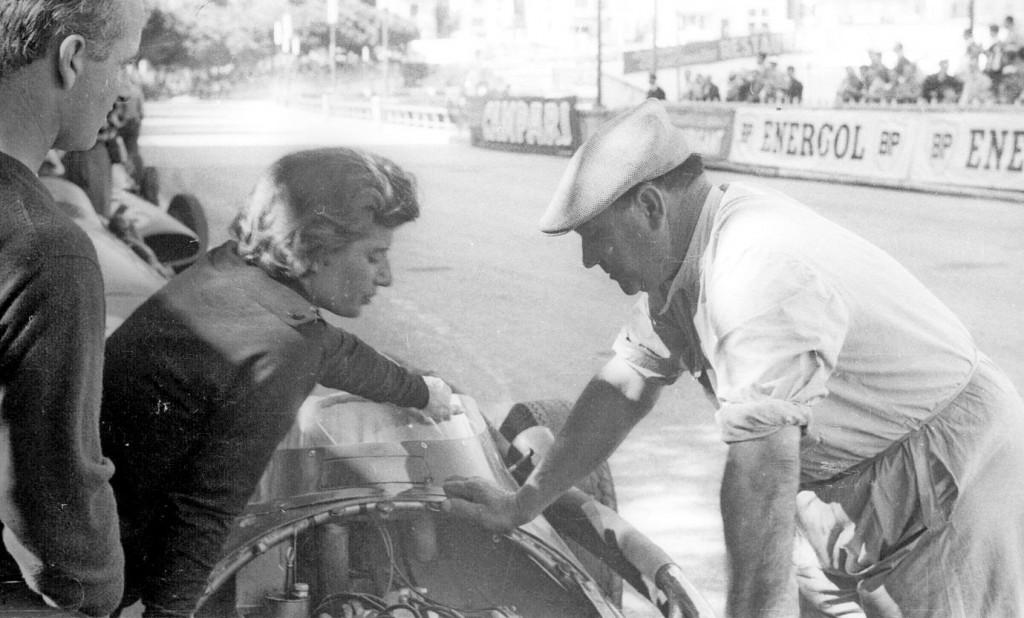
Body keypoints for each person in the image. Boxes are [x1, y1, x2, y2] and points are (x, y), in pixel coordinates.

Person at [443, 100, 1024, 617]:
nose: (591, 260)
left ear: (649, 206)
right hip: (845, 495)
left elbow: (759, 478)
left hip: (946, 489)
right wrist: (525, 501)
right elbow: (623, 386)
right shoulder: (690, 254)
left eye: (596, 236)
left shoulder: (754, 273)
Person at [100, 147, 461, 617]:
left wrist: (422, 392)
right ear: (318, 247)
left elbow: (334, 349)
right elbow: (205, 510)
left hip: (88, 527)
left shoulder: (231, 270)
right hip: (110, 567)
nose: (387, 277)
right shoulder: (284, 346)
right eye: (375, 256)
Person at [0, 1, 145, 616]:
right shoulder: (44, 247)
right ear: (73, 58)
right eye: (123, 63)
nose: (124, 88)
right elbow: (60, 523)